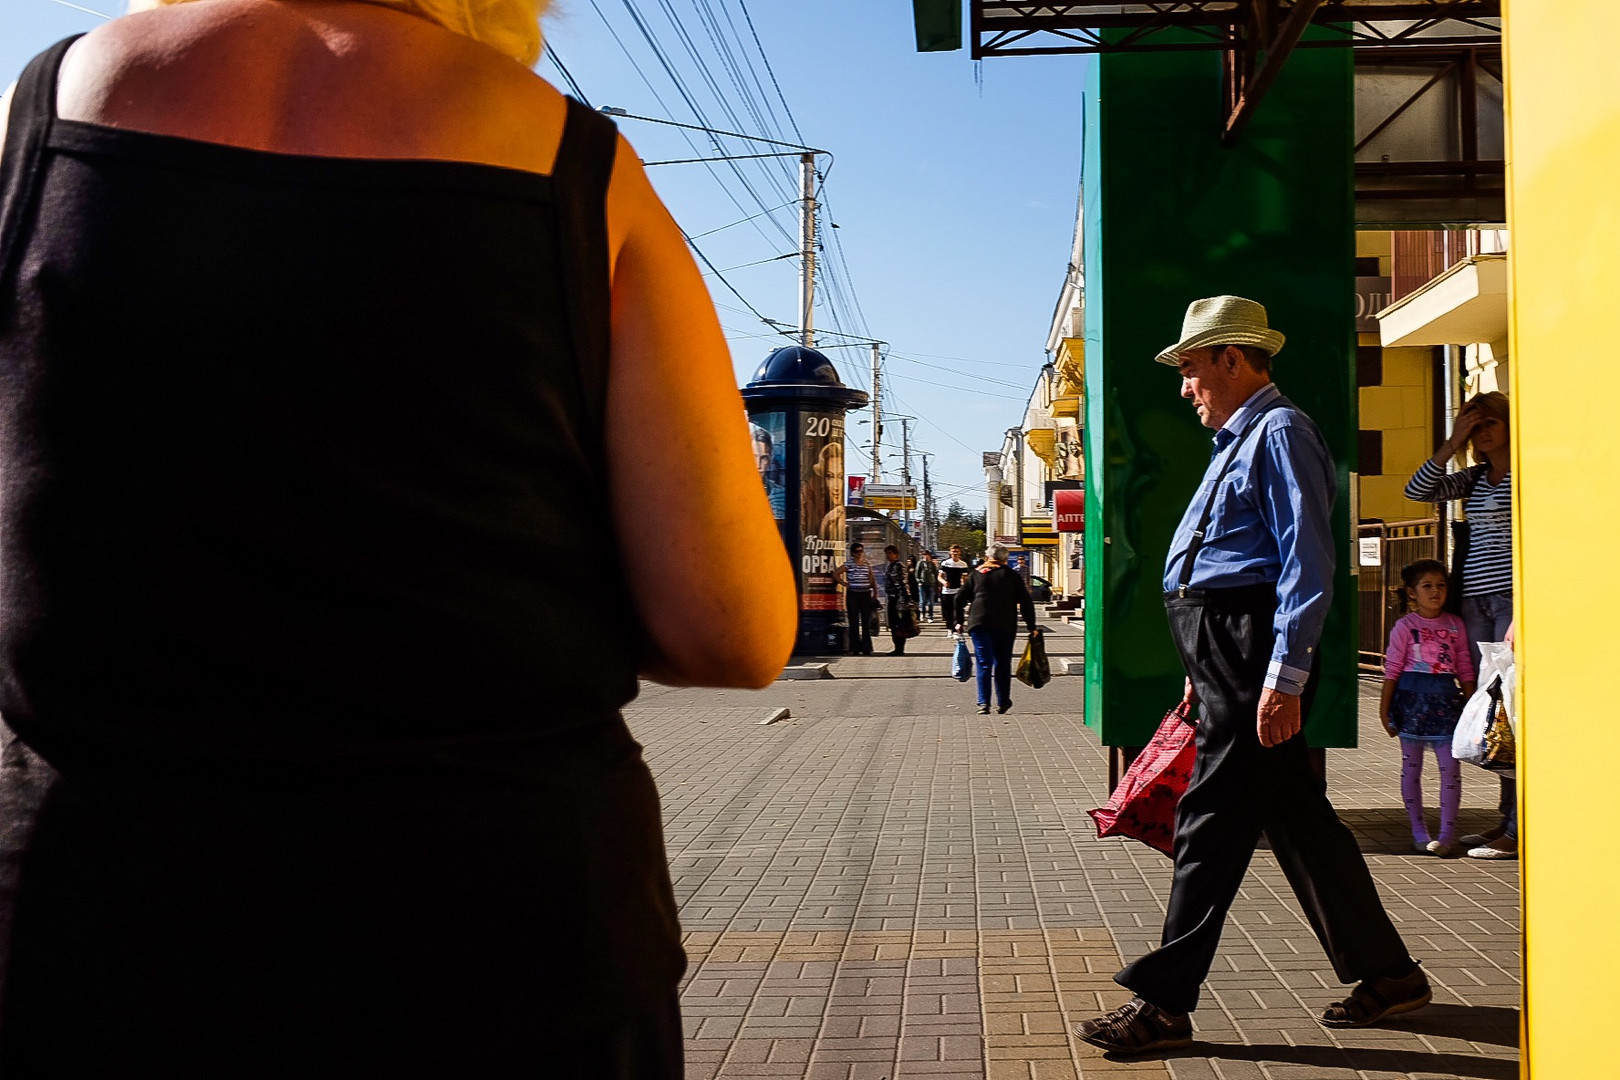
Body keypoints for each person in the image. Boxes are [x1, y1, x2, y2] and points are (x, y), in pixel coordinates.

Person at [0, 3, 798, 1074]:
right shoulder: (579, 166)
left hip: (92, 929)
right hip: (505, 942)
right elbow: (730, 631)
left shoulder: (41, 115)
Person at [1074, 296, 1425, 1055]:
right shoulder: (1241, 437)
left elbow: (1308, 561)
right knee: (1298, 820)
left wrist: (1284, 673)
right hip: (1227, 652)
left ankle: (1164, 1002)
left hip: (1248, 642)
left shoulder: (1281, 430)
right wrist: (1210, 674)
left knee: (1213, 816)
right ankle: (1390, 975)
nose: (1184, 386)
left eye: (1193, 368)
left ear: (1233, 359)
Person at [1403, 390, 1517, 860]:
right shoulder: (1473, 479)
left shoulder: (1528, 472)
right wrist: (1452, 443)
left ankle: (1519, 827)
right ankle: (1506, 821)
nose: (1483, 429)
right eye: (1476, 423)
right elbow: (1417, 490)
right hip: (1475, 601)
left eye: (1491, 421)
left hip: (1514, 600)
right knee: (1495, 715)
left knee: (1516, 709)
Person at [1380, 559, 1476, 857]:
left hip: (1447, 704)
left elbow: (1464, 667)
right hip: (1411, 706)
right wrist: (1384, 711)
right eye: (1427, 586)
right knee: (1412, 768)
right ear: (1412, 593)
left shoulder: (1455, 624)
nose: (1435, 591)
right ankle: (1419, 832)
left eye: (1440, 585)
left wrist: (1472, 708)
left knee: (1450, 769)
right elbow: (1392, 669)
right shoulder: (1404, 627)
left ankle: (1446, 835)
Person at [953, 544, 1039, 715]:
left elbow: (958, 598)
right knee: (1002, 663)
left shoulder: (976, 574)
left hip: (979, 623)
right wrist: (1032, 627)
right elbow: (1026, 602)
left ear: (988, 557)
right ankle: (1003, 702)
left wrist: (959, 621)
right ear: (1005, 558)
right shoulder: (1011, 575)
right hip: (1004, 624)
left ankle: (983, 703)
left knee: (984, 662)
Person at [836, 542, 878, 656]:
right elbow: (835, 573)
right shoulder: (848, 564)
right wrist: (844, 584)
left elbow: (871, 577)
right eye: (857, 551)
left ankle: (866, 647)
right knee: (853, 621)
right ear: (853, 553)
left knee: (866, 621)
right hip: (853, 594)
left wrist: (874, 591)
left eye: (861, 551)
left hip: (865, 594)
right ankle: (854, 647)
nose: (859, 554)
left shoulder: (866, 563)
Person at [881, 544, 918, 655]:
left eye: (890, 553)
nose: (888, 556)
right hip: (892, 598)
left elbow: (902, 583)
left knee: (899, 624)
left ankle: (899, 648)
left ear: (895, 554)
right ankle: (897, 647)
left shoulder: (898, 566)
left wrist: (903, 600)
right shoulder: (890, 566)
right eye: (886, 553)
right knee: (893, 624)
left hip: (899, 600)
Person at [751, 423, 786, 519]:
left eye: (763, 458)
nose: (758, 465)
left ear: (770, 460)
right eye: (753, 457)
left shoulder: (780, 495)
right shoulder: (732, 492)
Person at [938, 544, 971, 637]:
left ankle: (957, 629)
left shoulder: (963, 564)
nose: (955, 553)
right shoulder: (945, 563)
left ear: (959, 552)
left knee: (958, 611)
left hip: (958, 590)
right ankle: (949, 629)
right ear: (950, 552)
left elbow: (965, 578)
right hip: (947, 591)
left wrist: (965, 588)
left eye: (956, 551)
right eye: (953, 551)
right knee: (948, 611)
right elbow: (940, 577)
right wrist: (944, 582)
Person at [915, 549, 939, 622]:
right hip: (922, 584)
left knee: (931, 602)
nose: (925, 556)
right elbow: (917, 573)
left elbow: (935, 573)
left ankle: (930, 616)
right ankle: (923, 614)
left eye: (927, 555)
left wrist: (936, 583)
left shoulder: (931, 564)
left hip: (931, 584)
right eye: (924, 555)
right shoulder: (920, 563)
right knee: (923, 601)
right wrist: (919, 581)